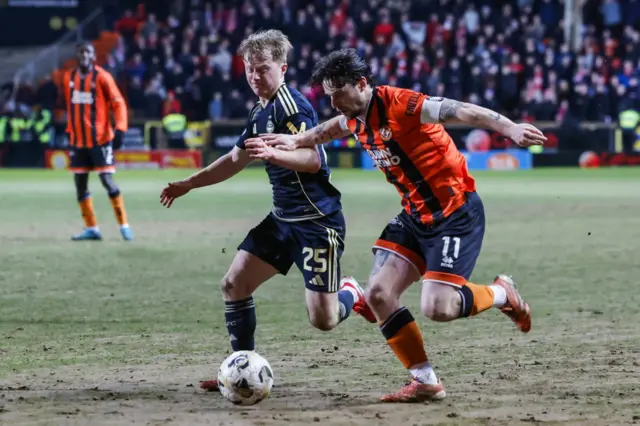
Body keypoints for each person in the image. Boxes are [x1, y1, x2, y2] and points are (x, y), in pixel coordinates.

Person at [253, 48, 546, 403]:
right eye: (329, 97)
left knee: (438, 307)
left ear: (362, 84)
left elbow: (462, 110)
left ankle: (502, 294)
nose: (334, 104)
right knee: (378, 294)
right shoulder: (352, 116)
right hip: (414, 217)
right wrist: (297, 139)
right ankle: (425, 381)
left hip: (454, 213)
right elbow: (331, 129)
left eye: (338, 95)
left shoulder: (402, 104)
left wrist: (509, 128)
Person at [159, 32, 375, 392]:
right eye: (249, 70)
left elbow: (313, 160)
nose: (255, 77)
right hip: (282, 220)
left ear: (283, 68)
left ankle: (351, 291)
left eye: (263, 69)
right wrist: (188, 184)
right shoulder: (260, 111)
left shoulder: (294, 108)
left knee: (324, 320)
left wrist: (275, 154)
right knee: (234, 285)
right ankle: (239, 368)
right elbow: (233, 160)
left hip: (316, 223)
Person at [63, 41, 133, 241]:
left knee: (107, 180)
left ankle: (124, 225)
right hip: (78, 142)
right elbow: (72, 107)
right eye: (80, 52)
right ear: (77, 56)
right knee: (80, 185)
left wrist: (120, 128)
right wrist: (70, 130)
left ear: (93, 56)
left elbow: (118, 103)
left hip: (100, 140)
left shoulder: (102, 77)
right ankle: (92, 228)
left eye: (88, 52)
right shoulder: (70, 77)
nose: (84, 55)